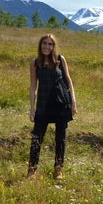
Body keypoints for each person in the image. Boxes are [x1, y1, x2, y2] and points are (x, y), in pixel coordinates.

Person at [28, 34, 77, 179]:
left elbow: (68, 81)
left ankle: (58, 169)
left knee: (60, 138)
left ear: (53, 47)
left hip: (61, 102)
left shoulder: (60, 60)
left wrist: (73, 101)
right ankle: (32, 170)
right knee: (37, 137)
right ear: (40, 45)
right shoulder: (35, 63)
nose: (47, 47)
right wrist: (31, 108)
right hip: (43, 104)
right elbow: (32, 87)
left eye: (50, 44)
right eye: (44, 43)